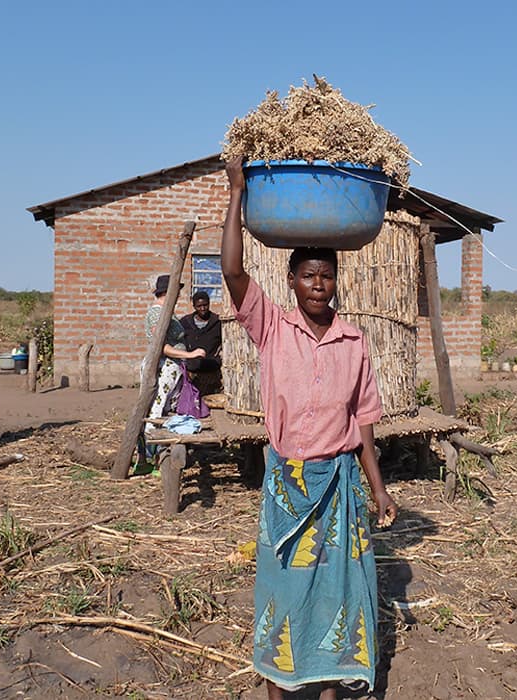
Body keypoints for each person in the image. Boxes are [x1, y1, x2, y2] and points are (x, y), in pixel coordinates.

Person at [222, 156, 396, 699]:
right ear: (292, 281)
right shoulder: (272, 328)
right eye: (309, 276)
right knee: (283, 592)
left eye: (327, 275)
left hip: (339, 486)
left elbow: (363, 422)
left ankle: (326, 689)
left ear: (336, 281)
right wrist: (237, 192)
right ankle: (278, 690)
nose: (319, 285)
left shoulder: (354, 342)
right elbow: (232, 273)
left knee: (337, 593)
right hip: (288, 485)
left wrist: (379, 490)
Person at [144, 274, 208, 419]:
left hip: (172, 366)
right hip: (164, 366)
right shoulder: (157, 313)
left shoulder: (166, 312)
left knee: (167, 406)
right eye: (176, 292)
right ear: (168, 293)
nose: (179, 296)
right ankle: (152, 431)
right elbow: (161, 346)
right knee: (158, 406)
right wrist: (190, 355)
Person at [178, 290, 225, 396]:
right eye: (199, 306)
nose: (203, 308)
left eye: (205, 305)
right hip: (191, 370)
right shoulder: (185, 322)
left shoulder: (217, 322)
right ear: (194, 306)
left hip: (211, 369)